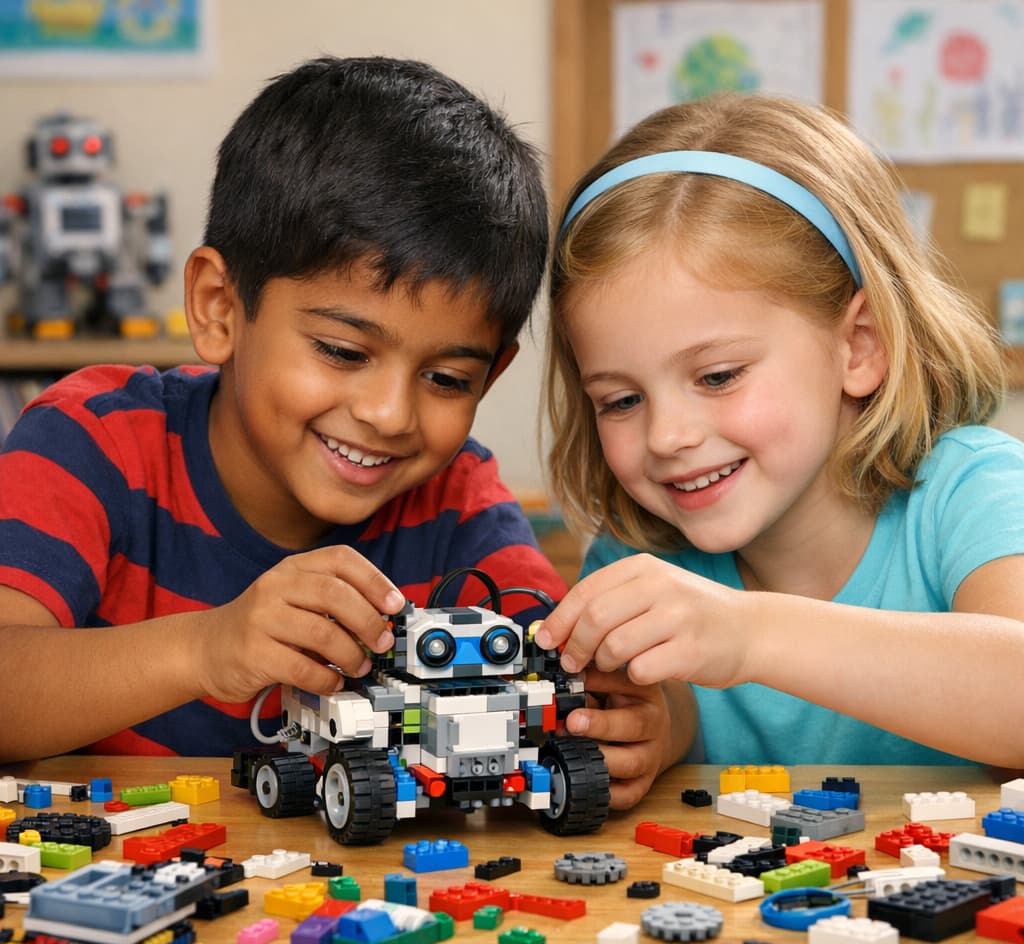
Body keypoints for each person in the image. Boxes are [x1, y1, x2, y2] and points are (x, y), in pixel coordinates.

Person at [0, 56, 567, 761]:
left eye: (447, 379)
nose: (390, 414)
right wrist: (206, 648)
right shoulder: (94, 441)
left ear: (490, 376)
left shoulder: (457, 501)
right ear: (220, 308)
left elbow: (561, 678)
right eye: (342, 351)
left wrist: (641, 722)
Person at [536, 91, 1024, 807]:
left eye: (718, 376)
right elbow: (668, 711)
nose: (667, 436)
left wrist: (751, 637)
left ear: (860, 347)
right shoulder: (638, 559)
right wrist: (655, 734)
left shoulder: (972, 492)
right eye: (621, 400)